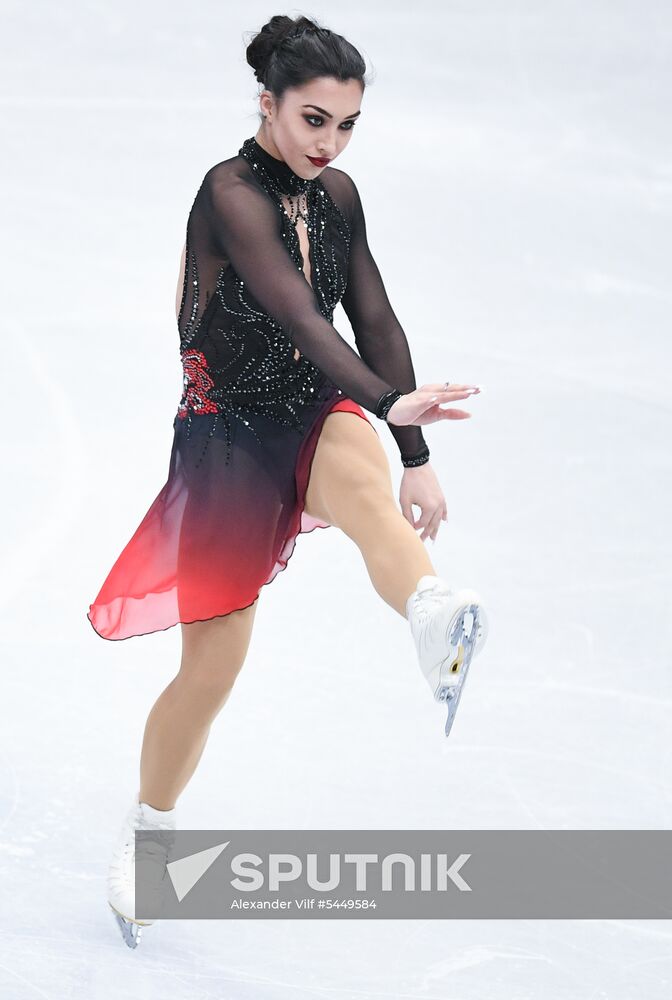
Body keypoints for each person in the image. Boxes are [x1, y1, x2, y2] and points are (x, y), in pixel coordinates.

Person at [93, 14, 488, 947]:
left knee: (362, 488)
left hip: (315, 411)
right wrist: (394, 403)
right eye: (313, 120)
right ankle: (148, 836)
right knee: (211, 671)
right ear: (266, 103)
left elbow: (373, 316)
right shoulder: (228, 194)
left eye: (346, 126)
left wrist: (416, 455)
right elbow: (300, 316)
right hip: (226, 439)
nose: (329, 144)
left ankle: (435, 616)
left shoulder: (339, 194)